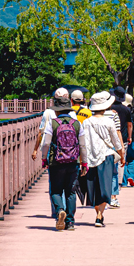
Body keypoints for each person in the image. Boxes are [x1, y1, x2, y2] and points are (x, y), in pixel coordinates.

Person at [30, 87, 82, 230]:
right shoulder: (76, 123)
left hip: (56, 161)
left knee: (56, 190)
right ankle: (70, 222)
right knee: (71, 192)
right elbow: (83, 144)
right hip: (73, 161)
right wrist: (84, 162)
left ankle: (60, 210)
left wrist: (44, 158)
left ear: (57, 110)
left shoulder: (52, 123)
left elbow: (46, 143)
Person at [78, 91, 125, 227]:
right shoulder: (109, 122)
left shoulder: (86, 123)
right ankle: (99, 215)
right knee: (105, 188)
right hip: (106, 157)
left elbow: (83, 143)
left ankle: (98, 213)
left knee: (93, 189)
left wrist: (82, 160)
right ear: (105, 107)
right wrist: (122, 156)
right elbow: (116, 142)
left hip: (91, 158)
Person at [109, 87, 134, 204]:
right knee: (122, 160)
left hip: (111, 138)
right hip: (124, 137)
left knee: (111, 162)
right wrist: (130, 137)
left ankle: (111, 184)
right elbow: (130, 125)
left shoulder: (110, 108)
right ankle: (120, 182)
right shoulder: (126, 109)